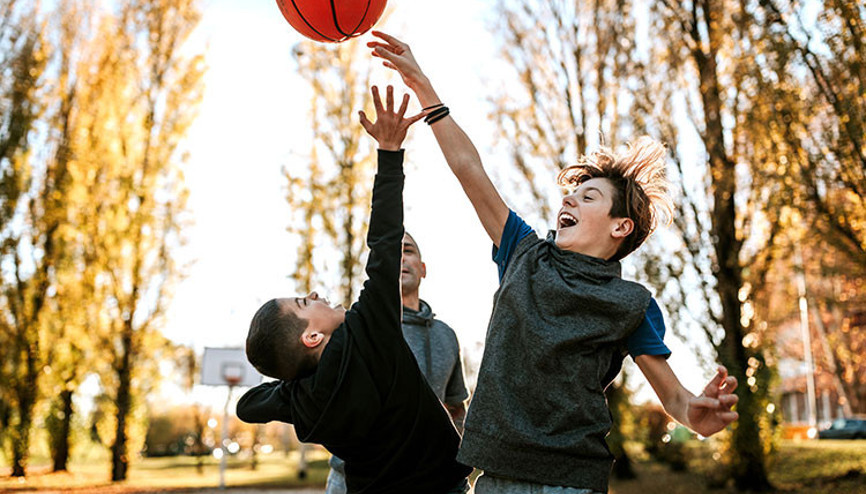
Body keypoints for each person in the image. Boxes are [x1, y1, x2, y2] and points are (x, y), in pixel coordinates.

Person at [366, 31, 740, 494]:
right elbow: (470, 170)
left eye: (588, 196)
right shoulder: (523, 252)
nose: (570, 199)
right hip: (497, 477)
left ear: (620, 226)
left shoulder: (631, 303)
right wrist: (424, 86)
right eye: (571, 193)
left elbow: (674, 397)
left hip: (572, 481)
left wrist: (694, 415)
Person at [235, 85, 472, 494]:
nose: (312, 293)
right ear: (312, 336)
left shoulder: (305, 402)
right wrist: (389, 151)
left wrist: (292, 384)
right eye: (303, 302)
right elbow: (385, 239)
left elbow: (245, 406)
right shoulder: (370, 333)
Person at [326, 231, 469, 493]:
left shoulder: (445, 335)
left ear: (423, 269)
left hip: (427, 481)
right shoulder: (355, 328)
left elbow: (455, 407)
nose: (399, 258)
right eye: (391, 252)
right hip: (355, 482)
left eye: (408, 251)